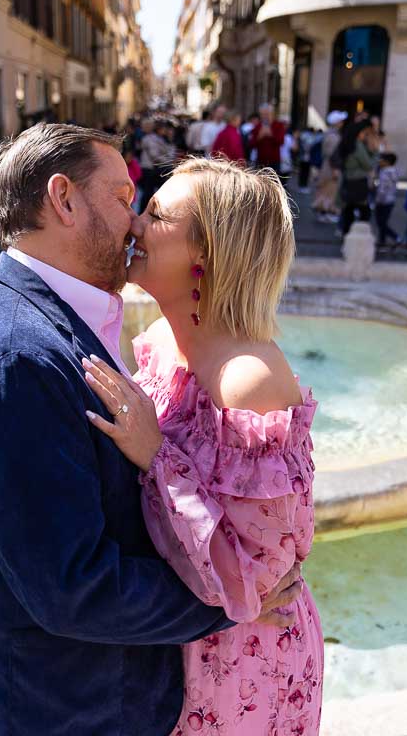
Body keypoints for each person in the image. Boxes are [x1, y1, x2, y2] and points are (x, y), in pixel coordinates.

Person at [0, 124, 308, 735]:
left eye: (147, 209)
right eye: (125, 198)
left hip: (163, 679)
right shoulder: (19, 355)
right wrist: (238, 600)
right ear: (65, 200)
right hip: (49, 701)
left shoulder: (41, 323)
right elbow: (74, 589)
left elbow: (263, 540)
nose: (133, 222)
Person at [81, 157, 323, 735]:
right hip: (176, 647)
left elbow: (257, 578)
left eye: (158, 215)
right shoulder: (161, 343)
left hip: (243, 665)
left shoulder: (251, 379)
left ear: (205, 253)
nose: (135, 223)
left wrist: (155, 454)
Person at [337, 119, 376, 236]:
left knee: (348, 210)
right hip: (358, 182)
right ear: (361, 132)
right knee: (364, 211)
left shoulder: (349, 143)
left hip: (349, 181)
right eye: (366, 133)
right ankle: (360, 236)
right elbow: (369, 164)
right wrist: (376, 153)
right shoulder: (357, 145)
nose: (367, 136)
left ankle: (347, 235)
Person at [312, 112, 345, 223]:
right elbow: (332, 154)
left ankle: (324, 212)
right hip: (330, 168)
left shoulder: (331, 134)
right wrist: (335, 169)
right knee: (328, 190)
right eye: (340, 121)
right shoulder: (333, 136)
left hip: (328, 166)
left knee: (326, 190)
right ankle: (323, 213)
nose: (342, 123)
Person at [374, 152, 400, 249]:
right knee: (383, 222)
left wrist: (378, 200)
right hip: (390, 200)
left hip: (383, 201)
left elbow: (382, 189)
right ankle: (382, 243)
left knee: (381, 223)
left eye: (381, 160)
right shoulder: (394, 171)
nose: (379, 161)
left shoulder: (385, 172)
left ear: (387, 162)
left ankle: (396, 237)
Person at [251, 103, 287, 173]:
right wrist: (259, 137)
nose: (265, 116)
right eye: (263, 114)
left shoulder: (279, 125)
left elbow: (281, 142)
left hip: (274, 161)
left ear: (272, 114)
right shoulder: (257, 126)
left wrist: (271, 135)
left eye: (267, 114)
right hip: (261, 161)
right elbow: (251, 144)